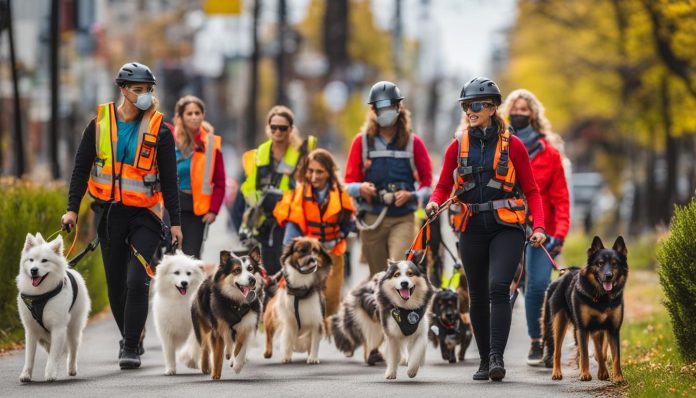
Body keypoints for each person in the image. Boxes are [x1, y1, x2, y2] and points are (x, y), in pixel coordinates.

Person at [61, 62, 181, 370]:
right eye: (138, 90)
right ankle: (132, 334)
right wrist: (72, 208)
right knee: (116, 283)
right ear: (123, 90)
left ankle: (130, 347)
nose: (144, 96)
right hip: (109, 213)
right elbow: (80, 168)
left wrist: (176, 221)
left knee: (136, 278)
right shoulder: (99, 124)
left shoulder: (159, 130)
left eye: (148, 90)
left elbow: (170, 179)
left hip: (146, 215)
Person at [425, 77, 546, 382]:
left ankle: (496, 357)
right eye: (466, 105)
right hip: (471, 227)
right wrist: (433, 203)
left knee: (497, 288)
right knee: (477, 294)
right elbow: (442, 186)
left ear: (493, 108)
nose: (470, 110)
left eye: (476, 105)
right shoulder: (457, 145)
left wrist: (540, 226)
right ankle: (482, 359)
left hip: (507, 227)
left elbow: (531, 190)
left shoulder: (514, 145)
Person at [501, 89, 570, 366]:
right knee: (513, 283)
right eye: (514, 109)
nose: (519, 113)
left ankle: (538, 340)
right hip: (506, 224)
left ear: (533, 115)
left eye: (524, 110)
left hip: (544, 231)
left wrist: (560, 234)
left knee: (539, 284)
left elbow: (561, 199)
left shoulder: (549, 154)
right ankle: (532, 338)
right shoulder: (500, 146)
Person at [344, 81, 432, 276]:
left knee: (398, 270)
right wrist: (361, 189)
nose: (385, 112)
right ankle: (381, 307)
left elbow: (427, 184)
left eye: (389, 107)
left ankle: (400, 306)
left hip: (403, 218)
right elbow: (348, 183)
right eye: (380, 108)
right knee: (379, 276)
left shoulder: (413, 143)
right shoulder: (362, 142)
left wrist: (411, 195)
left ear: (398, 107)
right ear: (373, 110)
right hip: (371, 218)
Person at [273, 149, 356, 316]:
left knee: (331, 298)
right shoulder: (300, 193)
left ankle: (325, 329)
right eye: (311, 171)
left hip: (333, 252)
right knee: (304, 297)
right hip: (308, 254)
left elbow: (349, 223)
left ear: (329, 173)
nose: (314, 176)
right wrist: (290, 253)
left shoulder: (340, 194)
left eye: (320, 171)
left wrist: (340, 236)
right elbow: (293, 223)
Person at [240, 106, 316, 275]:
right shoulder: (260, 153)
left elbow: (311, 182)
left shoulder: (302, 153)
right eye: (273, 127)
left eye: (282, 128)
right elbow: (249, 186)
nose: (278, 131)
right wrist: (257, 205)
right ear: (268, 128)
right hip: (266, 219)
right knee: (269, 267)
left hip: (292, 219)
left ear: (291, 129)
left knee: (290, 266)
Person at [172, 95, 226, 259]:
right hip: (172, 206)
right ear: (180, 117)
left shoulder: (211, 143)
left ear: (203, 115)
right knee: (171, 254)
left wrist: (213, 210)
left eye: (198, 113)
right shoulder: (169, 139)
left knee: (191, 257)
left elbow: (220, 182)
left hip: (198, 212)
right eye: (189, 113)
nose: (194, 117)